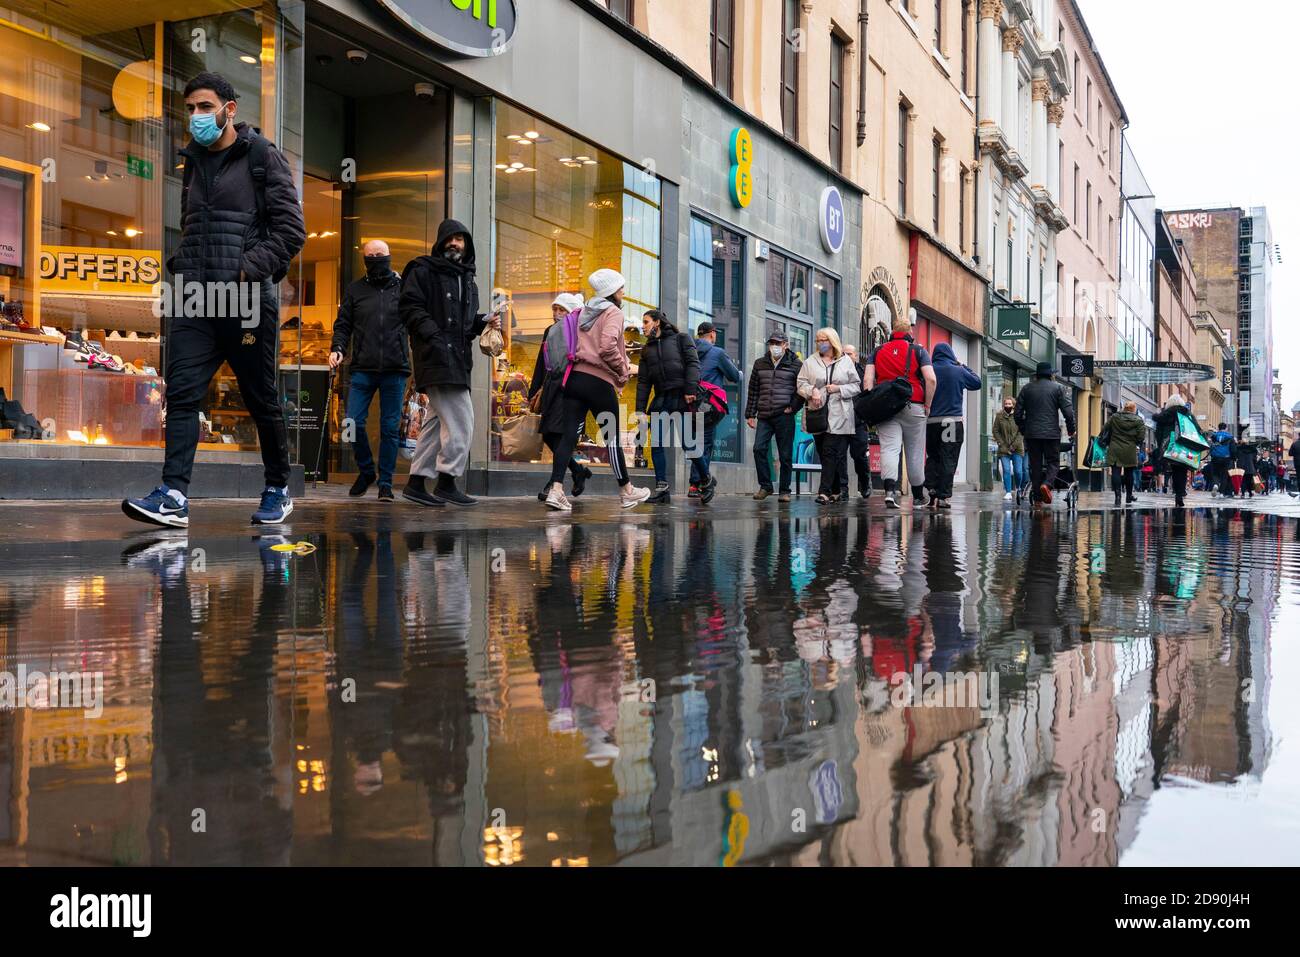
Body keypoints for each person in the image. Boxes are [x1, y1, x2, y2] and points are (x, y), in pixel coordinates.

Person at [123, 72, 306, 528]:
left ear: (230, 109)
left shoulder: (263, 157)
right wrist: (183, 263)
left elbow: (291, 231)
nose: (196, 116)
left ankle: (278, 487)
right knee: (182, 393)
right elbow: (195, 225)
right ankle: (174, 496)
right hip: (193, 298)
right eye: (189, 108)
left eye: (205, 106)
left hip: (244, 300)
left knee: (260, 397)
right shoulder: (194, 162)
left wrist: (246, 268)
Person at [399, 219, 502, 508]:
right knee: (463, 422)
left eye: (460, 239)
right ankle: (447, 482)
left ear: (466, 245)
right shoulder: (422, 270)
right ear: (440, 241)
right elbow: (409, 307)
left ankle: (416, 483)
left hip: (457, 360)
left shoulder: (468, 279)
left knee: (434, 423)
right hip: (435, 358)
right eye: (450, 238)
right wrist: (433, 335)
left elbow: (465, 325)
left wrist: (482, 321)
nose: (455, 243)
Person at [543, 269, 652, 512]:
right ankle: (626, 491)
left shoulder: (582, 312)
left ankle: (557, 490)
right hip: (598, 381)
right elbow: (606, 348)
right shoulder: (612, 312)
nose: (623, 292)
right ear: (613, 291)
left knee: (568, 436)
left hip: (574, 378)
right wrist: (623, 370)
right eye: (621, 288)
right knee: (612, 438)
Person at [328, 240, 407, 502]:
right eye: (370, 255)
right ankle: (365, 471)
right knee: (351, 422)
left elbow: (418, 323)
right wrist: (337, 348)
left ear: (389, 256)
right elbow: (343, 324)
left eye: (379, 254)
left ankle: (385, 483)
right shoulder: (355, 290)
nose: (375, 258)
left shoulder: (403, 288)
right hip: (362, 367)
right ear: (364, 259)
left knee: (389, 428)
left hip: (395, 369)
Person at [864, 318, 937, 510]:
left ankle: (889, 492)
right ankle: (919, 497)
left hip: (886, 407)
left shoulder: (877, 351)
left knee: (889, 448)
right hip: (914, 405)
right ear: (910, 333)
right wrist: (927, 405)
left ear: (892, 331)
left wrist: (872, 403)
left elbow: (867, 380)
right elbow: (931, 379)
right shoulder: (918, 351)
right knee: (914, 451)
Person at [528, 293, 592, 502]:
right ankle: (577, 470)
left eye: (561, 310)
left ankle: (554, 482)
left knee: (560, 435)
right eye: (554, 309)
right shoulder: (550, 331)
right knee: (548, 434)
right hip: (551, 387)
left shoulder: (580, 330)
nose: (556, 314)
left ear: (571, 311)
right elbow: (541, 362)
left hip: (570, 388)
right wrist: (534, 389)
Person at [636, 309, 704, 504]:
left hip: (681, 397)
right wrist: (640, 409)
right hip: (660, 399)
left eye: (646, 321)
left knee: (688, 444)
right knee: (657, 444)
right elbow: (643, 382)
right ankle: (662, 488)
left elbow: (693, 363)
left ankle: (706, 480)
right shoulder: (646, 349)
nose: (643, 326)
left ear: (657, 322)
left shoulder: (681, 339)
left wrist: (690, 389)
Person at [796, 328, 861, 504]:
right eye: (817, 340)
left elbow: (856, 386)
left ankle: (823, 492)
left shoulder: (846, 361)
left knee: (829, 451)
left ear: (832, 341)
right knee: (826, 453)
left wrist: (839, 388)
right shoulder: (810, 362)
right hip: (817, 414)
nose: (820, 343)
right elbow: (800, 384)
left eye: (823, 340)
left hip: (840, 413)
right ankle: (837, 490)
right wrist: (813, 390)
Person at [921, 343, 981, 509]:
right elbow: (977, 382)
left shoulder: (929, 369)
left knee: (933, 457)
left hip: (932, 421)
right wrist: (963, 366)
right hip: (952, 422)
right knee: (949, 458)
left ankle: (931, 489)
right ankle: (943, 496)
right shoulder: (958, 370)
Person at [745, 330, 803, 502]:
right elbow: (753, 390)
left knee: (785, 455)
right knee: (758, 448)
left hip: (784, 415)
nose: (774, 347)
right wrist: (750, 413)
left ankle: (785, 490)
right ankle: (766, 486)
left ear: (786, 345)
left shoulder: (796, 364)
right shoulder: (760, 363)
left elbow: (801, 390)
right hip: (764, 414)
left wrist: (793, 407)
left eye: (778, 343)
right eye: (772, 343)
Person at [690, 321, 741, 498]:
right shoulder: (717, 352)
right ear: (712, 334)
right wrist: (740, 373)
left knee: (695, 443)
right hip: (707, 405)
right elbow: (734, 376)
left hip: (690, 403)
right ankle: (698, 484)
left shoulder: (690, 351)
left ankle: (695, 484)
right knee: (706, 442)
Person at [1014, 361, 1077, 506]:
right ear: (1050, 375)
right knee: (1053, 462)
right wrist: (1071, 429)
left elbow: (1017, 414)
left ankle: (1037, 500)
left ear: (1037, 374)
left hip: (1032, 435)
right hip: (1051, 434)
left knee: (1035, 465)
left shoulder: (1026, 389)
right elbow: (1068, 412)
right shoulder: (1058, 389)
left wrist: (1025, 429)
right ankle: (1047, 484)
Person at [1153, 392, 1206, 508]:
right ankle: (1179, 495)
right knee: (1181, 471)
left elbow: (1158, 433)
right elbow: (1197, 430)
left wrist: (1160, 444)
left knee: (1173, 470)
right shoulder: (1187, 414)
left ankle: (1176, 492)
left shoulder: (1164, 416)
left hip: (1169, 446)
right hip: (1183, 446)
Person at [838, 344, 872, 499]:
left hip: (858, 421)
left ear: (856, 356)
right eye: (843, 353)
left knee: (859, 455)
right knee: (839, 456)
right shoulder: (836, 371)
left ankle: (864, 483)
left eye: (849, 353)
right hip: (840, 421)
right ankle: (842, 488)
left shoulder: (863, 373)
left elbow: (869, 395)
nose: (846, 356)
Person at [1102, 401, 1147, 507]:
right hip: (1130, 449)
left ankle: (1117, 496)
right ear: (1133, 409)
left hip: (1115, 447)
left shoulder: (1114, 417)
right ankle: (1129, 496)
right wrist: (1134, 442)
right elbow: (1141, 436)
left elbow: (1105, 428)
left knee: (1116, 472)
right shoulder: (1138, 420)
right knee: (1129, 473)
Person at [993, 395, 1027, 501]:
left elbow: (1021, 432)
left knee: (1018, 471)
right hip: (1003, 449)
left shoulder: (1019, 416)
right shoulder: (999, 416)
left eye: (1009, 404)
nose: (1007, 405)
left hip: (1017, 448)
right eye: (1006, 404)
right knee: (1006, 470)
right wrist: (1001, 443)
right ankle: (1008, 492)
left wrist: (1013, 446)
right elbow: (995, 430)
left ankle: (1018, 488)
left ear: (1013, 405)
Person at [1207, 422, 1235, 497]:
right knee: (1224, 475)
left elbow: (1209, 445)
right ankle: (1222, 493)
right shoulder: (1230, 437)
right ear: (1226, 428)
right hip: (1226, 458)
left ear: (1218, 428)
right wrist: (1233, 458)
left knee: (1215, 473)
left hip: (1215, 457)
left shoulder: (1214, 436)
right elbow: (1233, 449)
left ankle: (1216, 484)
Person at [1236, 426, 1259, 498]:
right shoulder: (1252, 450)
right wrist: (1255, 468)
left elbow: (1235, 455)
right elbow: (1254, 459)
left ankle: (1243, 493)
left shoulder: (1238, 449)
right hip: (1250, 467)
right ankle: (1250, 493)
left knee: (1242, 481)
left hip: (1241, 466)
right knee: (1249, 481)